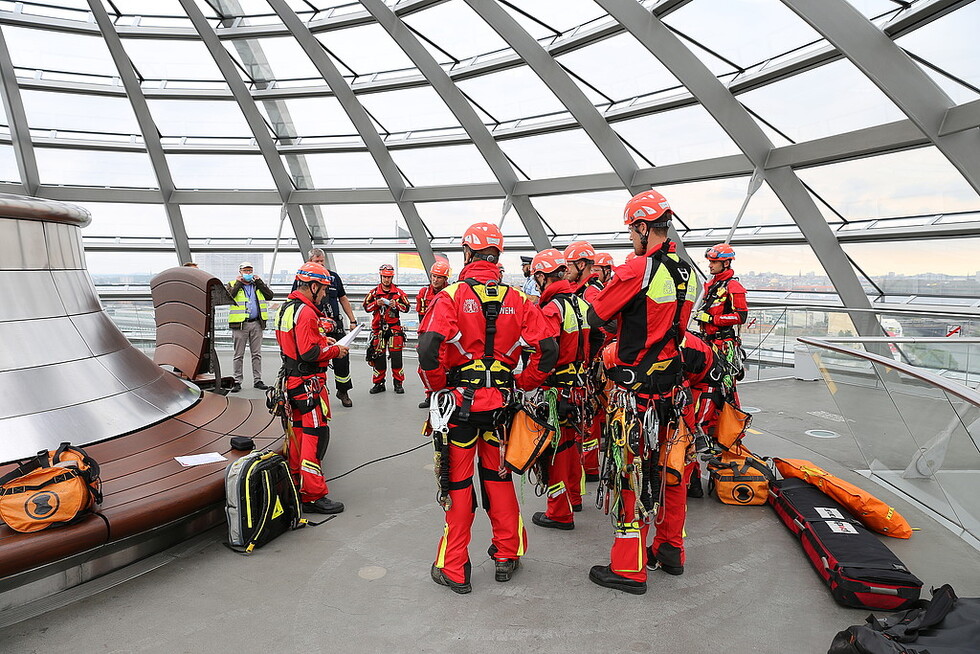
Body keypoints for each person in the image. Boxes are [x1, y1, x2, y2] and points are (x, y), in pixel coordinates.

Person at [417, 222, 558, 594]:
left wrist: (438, 389)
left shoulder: (449, 296)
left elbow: (428, 349)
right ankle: (506, 554)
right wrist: (522, 383)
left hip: (459, 412)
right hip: (501, 410)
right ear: (497, 256)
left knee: (459, 484)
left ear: (467, 254)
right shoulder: (519, 299)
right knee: (498, 479)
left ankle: (455, 567)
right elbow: (549, 351)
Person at [585, 189, 697, 595]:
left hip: (636, 396)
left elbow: (596, 315)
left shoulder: (637, 270)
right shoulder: (687, 272)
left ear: (643, 227)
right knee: (671, 472)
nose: (630, 238)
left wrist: (597, 285)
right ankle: (670, 550)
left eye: (632, 230)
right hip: (671, 390)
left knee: (630, 474)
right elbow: (673, 326)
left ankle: (629, 568)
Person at [274, 262, 347, 514]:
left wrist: (320, 339)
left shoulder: (286, 309)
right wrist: (335, 349)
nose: (325, 294)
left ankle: (295, 484)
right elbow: (309, 353)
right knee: (314, 437)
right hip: (308, 385)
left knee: (297, 435)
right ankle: (313, 494)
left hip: (292, 382)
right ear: (313, 286)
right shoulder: (306, 313)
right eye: (324, 289)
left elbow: (295, 346)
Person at [527, 248, 591, 531]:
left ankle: (559, 512)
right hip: (579, 387)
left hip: (557, 390)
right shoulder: (579, 304)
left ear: (541, 276)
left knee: (555, 451)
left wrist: (527, 380)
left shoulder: (552, 308)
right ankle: (574, 497)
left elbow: (547, 351)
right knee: (572, 445)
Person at [296, 249, 358, 408]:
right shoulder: (303, 280)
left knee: (342, 358)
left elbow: (342, 298)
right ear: (309, 262)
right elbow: (297, 303)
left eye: (322, 261)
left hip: (335, 326)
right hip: (315, 326)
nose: (321, 264)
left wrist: (352, 320)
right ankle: (315, 392)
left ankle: (343, 391)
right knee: (315, 358)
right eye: (317, 261)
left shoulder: (333, 278)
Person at [695, 243, 748, 400]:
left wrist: (712, 319)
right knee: (707, 383)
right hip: (708, 341)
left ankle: (729, 419)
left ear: (726, 263)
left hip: (723, 344)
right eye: (709, 262)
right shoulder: (712, 285)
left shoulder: (733, 286)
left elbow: (740, 317)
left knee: (725, 385)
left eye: (713, 262)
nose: (710, 266)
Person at [363, 264, 410, 395]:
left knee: (396, 357)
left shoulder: (398, 292)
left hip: (394, 328)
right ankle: (378, 383)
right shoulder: (374, 292)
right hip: (378, 329)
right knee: (378, 357)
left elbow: (407, 308)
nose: (386, 280)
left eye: (389, 277)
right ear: (381, 276)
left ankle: (398, 383)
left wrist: (397, 305)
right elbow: (366, 306)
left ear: (392, 277)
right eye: (384, 277)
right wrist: (376, 304)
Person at [227, 261, 274, 393]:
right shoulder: (232, 284)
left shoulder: (257, 285)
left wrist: (259, 282)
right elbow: (230, 296)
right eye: (245, 271)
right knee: (238, 355)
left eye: (250, 270)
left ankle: (258, 380)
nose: (248, 273)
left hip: (256, 323)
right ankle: (237, 381)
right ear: (240, 272)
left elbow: (269, 295)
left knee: (256, 354)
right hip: (240, 324)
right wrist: (238, 283)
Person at [416, 260, 451, 409]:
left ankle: (444, 395)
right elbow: (420, 315)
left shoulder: (450, 293)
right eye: (433, 276)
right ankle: (430, 395)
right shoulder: (423, 293)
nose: (435, 280)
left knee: (445, 366)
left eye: (439, 277)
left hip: (444, 335)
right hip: (428, 333)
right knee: (426, 366)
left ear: (445, 279)